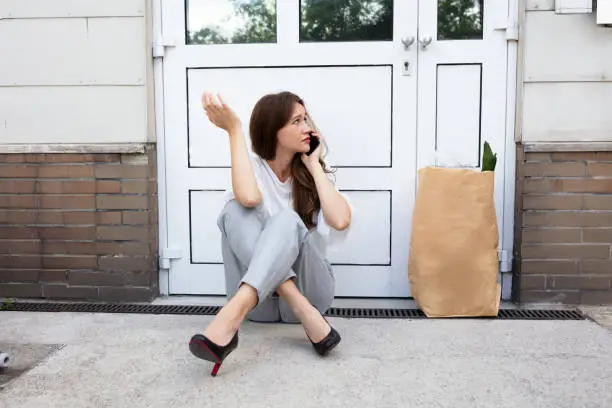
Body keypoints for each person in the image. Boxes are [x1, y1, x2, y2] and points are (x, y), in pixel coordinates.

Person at [188, 91, 352, 376]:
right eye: (296, 121)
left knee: (288, 220)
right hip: (263, 308)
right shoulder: (252, 170)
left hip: (312, 292)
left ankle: (230, 317)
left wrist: (314, 166)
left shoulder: (313, 173)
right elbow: (249, 199)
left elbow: (340, 220)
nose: (307, 128)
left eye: (306, 119)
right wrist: (234, 131)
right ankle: (298, 307)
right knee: (234, 211)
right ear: (273, 131)